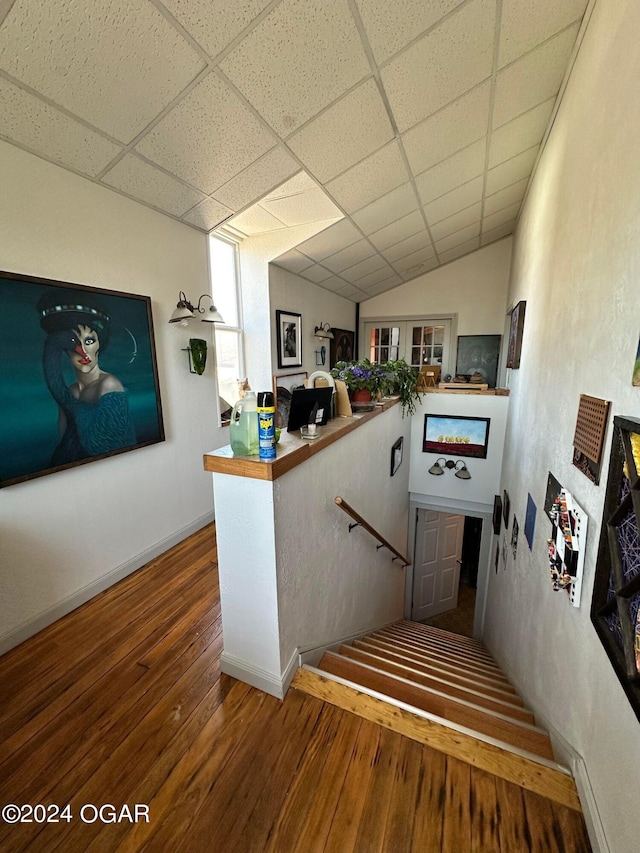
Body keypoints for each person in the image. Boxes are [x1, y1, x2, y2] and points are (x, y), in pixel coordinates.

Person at [36, 290, 136, 465]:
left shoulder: (109, 386)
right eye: (76, 342)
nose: (84, 352)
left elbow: (110, 447)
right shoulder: (70, 391)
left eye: (89, 341)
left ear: (99, 344)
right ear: (63, 348)